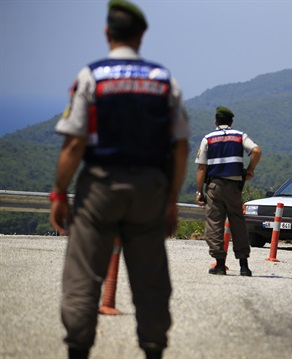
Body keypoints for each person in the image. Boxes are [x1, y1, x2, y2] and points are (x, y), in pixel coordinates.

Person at [49, 1, 189, 358]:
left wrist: (59, 193)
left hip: (99, 187)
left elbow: (75, 142)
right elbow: (180, 147)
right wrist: (171, 199)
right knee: (151, 280)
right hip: (149, 191)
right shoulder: (164, 80)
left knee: (83, 277)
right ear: (142, 35)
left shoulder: (91, 76)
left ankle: (78, 348)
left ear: (106, 33)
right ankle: (153, 347)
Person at [195, 106, 261, 276]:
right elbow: (256, 151)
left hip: (214, 187)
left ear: (216, 121)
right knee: (238, 224)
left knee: (215, 225)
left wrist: (199, 192)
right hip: (234, 187)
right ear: (231, 121)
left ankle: (219, 264)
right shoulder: (240, 136)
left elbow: (202, 169)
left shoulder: (208, 139)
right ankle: (244, 266)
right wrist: (250, 170)